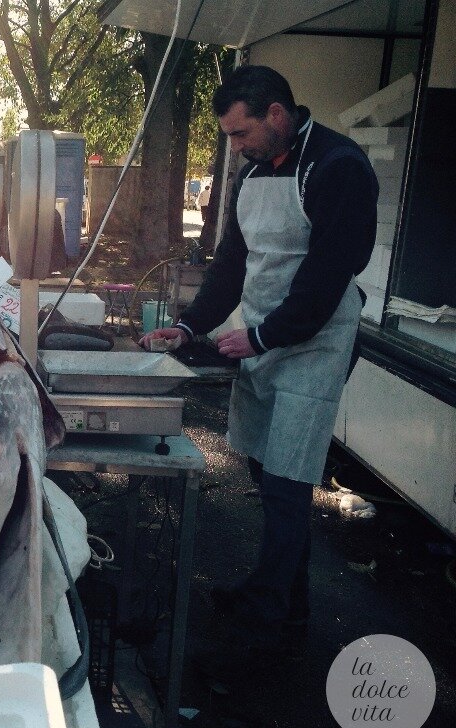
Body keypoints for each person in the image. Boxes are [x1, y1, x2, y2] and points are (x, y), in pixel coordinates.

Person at [140, 65, 377, 678]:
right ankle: (277, 595)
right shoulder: (250, 177)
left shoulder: (338, 168)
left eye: (241, 133)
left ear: (276, 113)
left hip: (314, 342)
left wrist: (268, 335)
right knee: (263, 469)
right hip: (262, 336)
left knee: (289, 482)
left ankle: (274, 627)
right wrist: (191, 327)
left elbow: (330, 272)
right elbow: (232, 265)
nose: (235, 146)